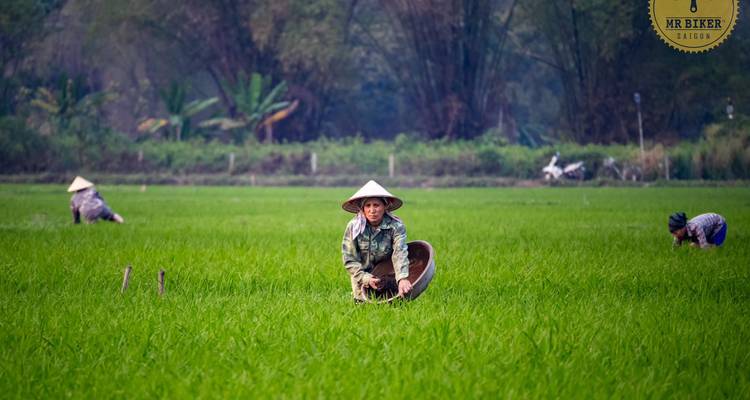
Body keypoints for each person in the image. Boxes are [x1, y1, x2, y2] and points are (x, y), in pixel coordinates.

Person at [341, 180, 412, 302]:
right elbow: (349, 259)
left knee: (394, 308)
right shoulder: (354, 227)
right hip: (361, 278)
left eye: (376, 205)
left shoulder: (396, 226)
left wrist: (402, 278)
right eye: (368, 206)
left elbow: (400, 253)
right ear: (362, 209)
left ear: (385, 207)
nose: (372, 210)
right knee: (362, 311)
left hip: (389, 278)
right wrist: (365, 278)